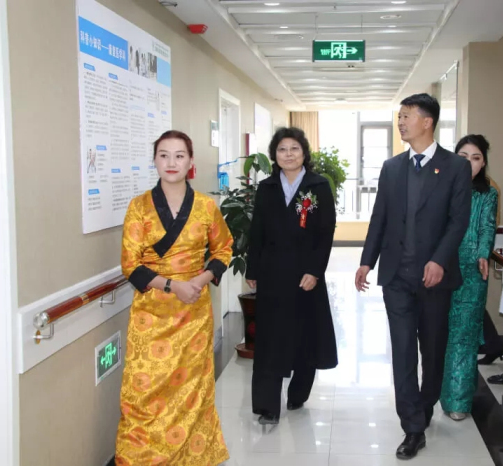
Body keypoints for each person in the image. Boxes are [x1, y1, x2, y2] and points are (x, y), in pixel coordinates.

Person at [355, 93, 472, 460]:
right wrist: (367, 261)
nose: (401, 122)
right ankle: (412, 427)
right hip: (397, 277)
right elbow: (380, 217)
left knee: (432, 351)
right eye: (399, 116)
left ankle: (425, 403)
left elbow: (458, 221)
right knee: (403, 352)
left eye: (407, 116)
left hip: (435, 279)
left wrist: (439, 260)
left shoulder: (455, 167)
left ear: (427, 121)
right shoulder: (392, 167)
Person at [116, 130, 233, 466]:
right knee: (144, 389)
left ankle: (191, 457)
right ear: (154, 160)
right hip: (151, 313)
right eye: (164, 155)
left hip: (193, 312)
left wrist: (200, 279)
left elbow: (224, 249)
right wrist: (171, 286)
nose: (171, 162)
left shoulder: (206, 206)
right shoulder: (139, 207)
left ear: (190, 161)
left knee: (192, 389)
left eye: (179, 155)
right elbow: (130, 265)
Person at [246, 127, 338, 426]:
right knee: (270, 338)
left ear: (304, 153)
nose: (288, 154)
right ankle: (267, 406)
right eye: (282, 149)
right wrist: (252, 268)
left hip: (305, 273)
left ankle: (298, 393)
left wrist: (315, 271)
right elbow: (257, 231)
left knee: (305, 333)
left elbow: (325, 232)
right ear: (274, 155)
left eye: (294, 149)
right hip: (272, 272)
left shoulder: (318, 185)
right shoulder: (267, 187)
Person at [440, 134, 499, 420]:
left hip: (473, 273)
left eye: (476, 158)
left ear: (483, 163)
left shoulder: (488, 194)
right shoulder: (441, 187)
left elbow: (487, 227)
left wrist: (483, 254)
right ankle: (439, 392)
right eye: (463, 157)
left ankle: (459, 401)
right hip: (440, 268)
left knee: (464, 336)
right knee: (441, 335)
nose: (469, 164)